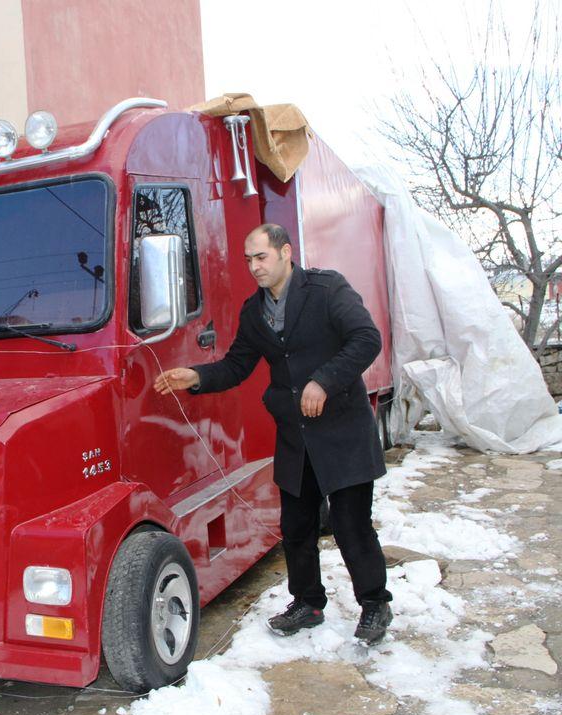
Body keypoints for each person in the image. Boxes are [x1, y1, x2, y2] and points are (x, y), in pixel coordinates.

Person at [153, 223, 393, 644]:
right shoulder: (254, 312)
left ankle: (374, 604)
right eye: (248, 259)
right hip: (296, 436)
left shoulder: (327, 289)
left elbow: (366, 339)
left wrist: (324, 381)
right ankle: (307, 603)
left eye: (261, 257)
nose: (254, 266)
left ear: (285, 252)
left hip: (343, 432)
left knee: (351, 526)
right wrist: (196, 376)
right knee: (296, 527)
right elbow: (237, 366)